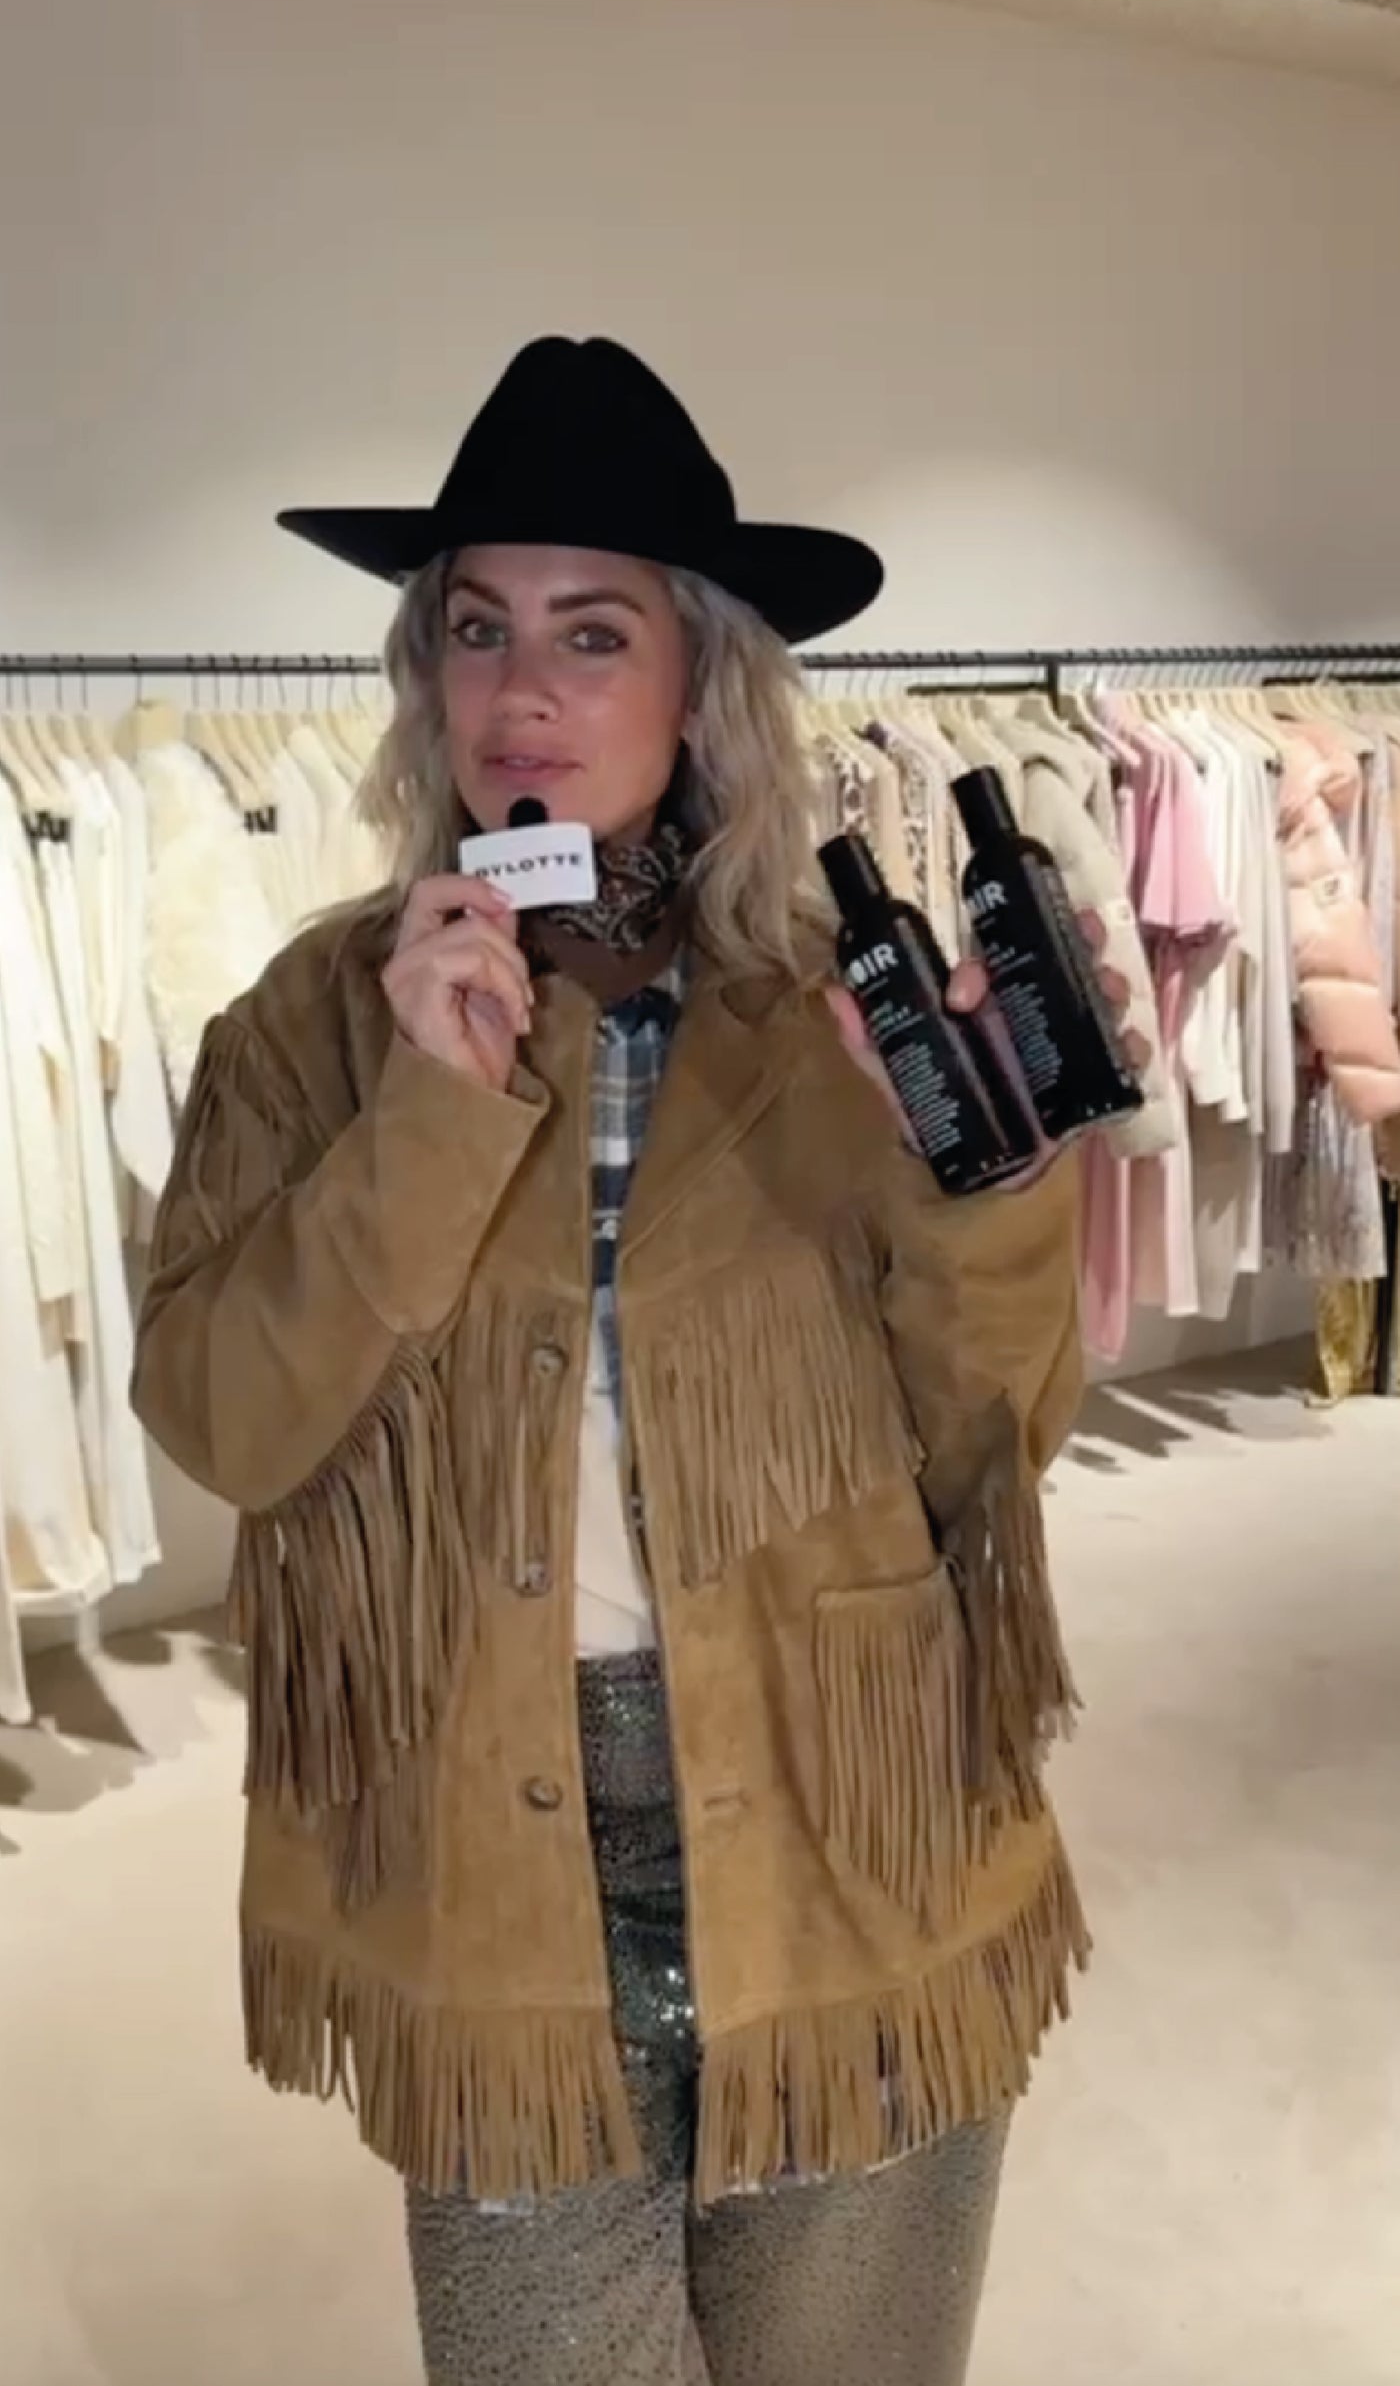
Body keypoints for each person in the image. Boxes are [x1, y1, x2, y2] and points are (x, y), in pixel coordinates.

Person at [131, 338, 1135, 2386]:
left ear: (702, 687)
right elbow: (224, 1417)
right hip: (488, 1853)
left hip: (851, 1810)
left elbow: (994, 1441)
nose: (521, 690)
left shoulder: (830, 1017)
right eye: (477, 627)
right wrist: (421, 1119)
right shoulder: (306, 1028)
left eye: (593, 634)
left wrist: (990, 1187)